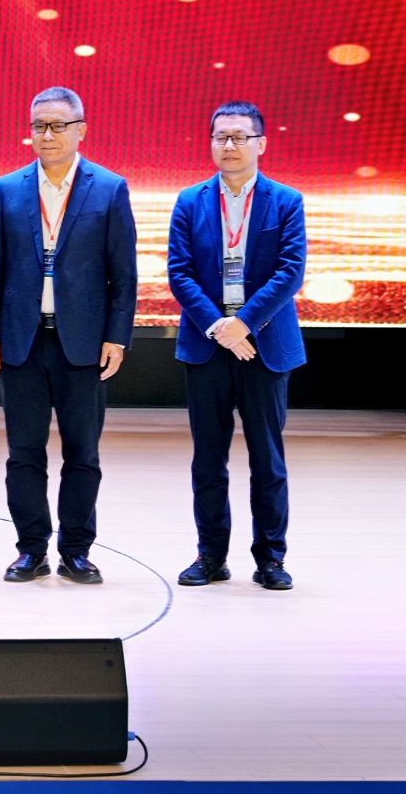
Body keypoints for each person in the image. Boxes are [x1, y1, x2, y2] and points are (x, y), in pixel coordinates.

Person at [0, 86, 136, 585]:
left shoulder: (109, 188)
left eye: (58, 125)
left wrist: (117, 337)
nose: (47, 135)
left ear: (80, 130)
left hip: (82, 345)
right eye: (38, 126)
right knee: (23, 454)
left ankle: (76, 551)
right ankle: (31, 550)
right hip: (20, 342)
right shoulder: (8, 189)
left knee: (82, 454)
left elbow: (123, 275)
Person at [166, 101, 305, 591]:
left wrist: (244, 324)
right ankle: (210, 556)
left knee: (267, 460)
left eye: (240, 137)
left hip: (264, 347)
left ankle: (271, 559)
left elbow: (290, 272)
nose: (229, 145)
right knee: (208, 460)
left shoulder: (286, 201)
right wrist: (219, 326)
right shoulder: (189, 201)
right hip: (207, 346)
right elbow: (179, 273)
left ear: (260, 143)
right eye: (221, 137)